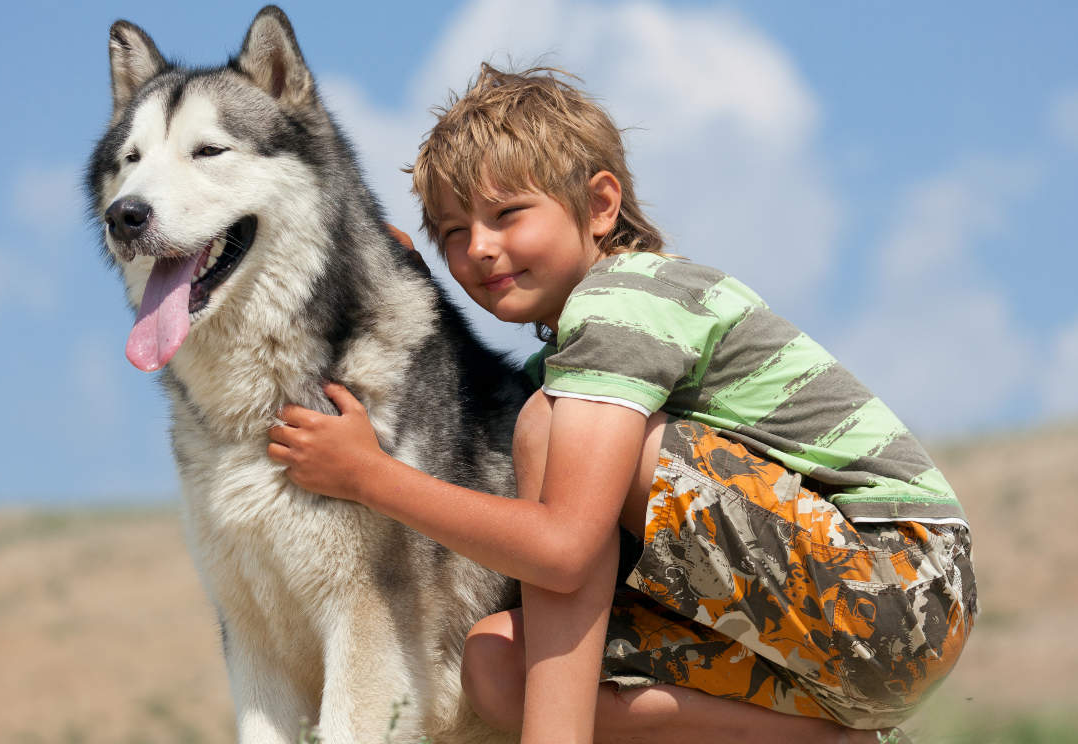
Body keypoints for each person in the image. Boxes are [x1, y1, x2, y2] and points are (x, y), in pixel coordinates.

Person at [267, 64, 976, 744]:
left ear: (601, 205)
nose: (479, 248)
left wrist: (372, 478)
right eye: (453, 232)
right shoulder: (575, 357)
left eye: (507, 213)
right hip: (817, 638)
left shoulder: (627, 301)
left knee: (548, 429)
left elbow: (565, 549)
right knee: (497, 668)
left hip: (897, 591)